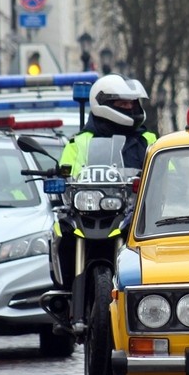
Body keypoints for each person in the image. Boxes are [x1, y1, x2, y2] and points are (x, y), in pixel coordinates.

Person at [54, 74, 157, 288]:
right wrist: (56, 177)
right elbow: (65, 174)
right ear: (102, 104)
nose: (129, 107)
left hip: (135, 214)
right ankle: (64, 291)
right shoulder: (79, 142)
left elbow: (167, 173)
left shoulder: (148, 140)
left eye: (132, 103)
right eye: (122, 103)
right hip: (88, 211)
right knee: (60, 232)